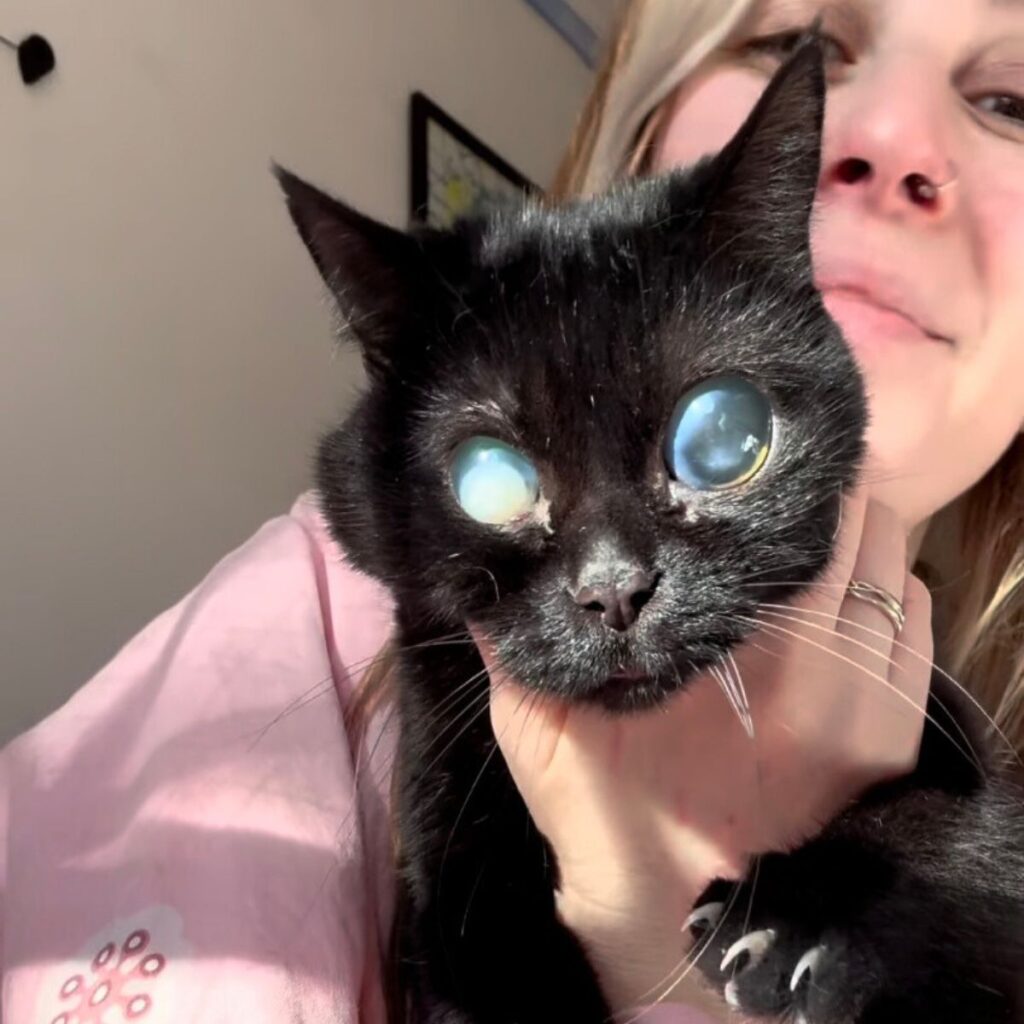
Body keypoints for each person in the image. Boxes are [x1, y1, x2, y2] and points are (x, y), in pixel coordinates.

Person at [2, 0, 1021, 1021]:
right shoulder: (298, 642)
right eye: (797, 43)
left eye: (1010, 100)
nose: (889, 140)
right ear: (646, 110)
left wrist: (656, 937)